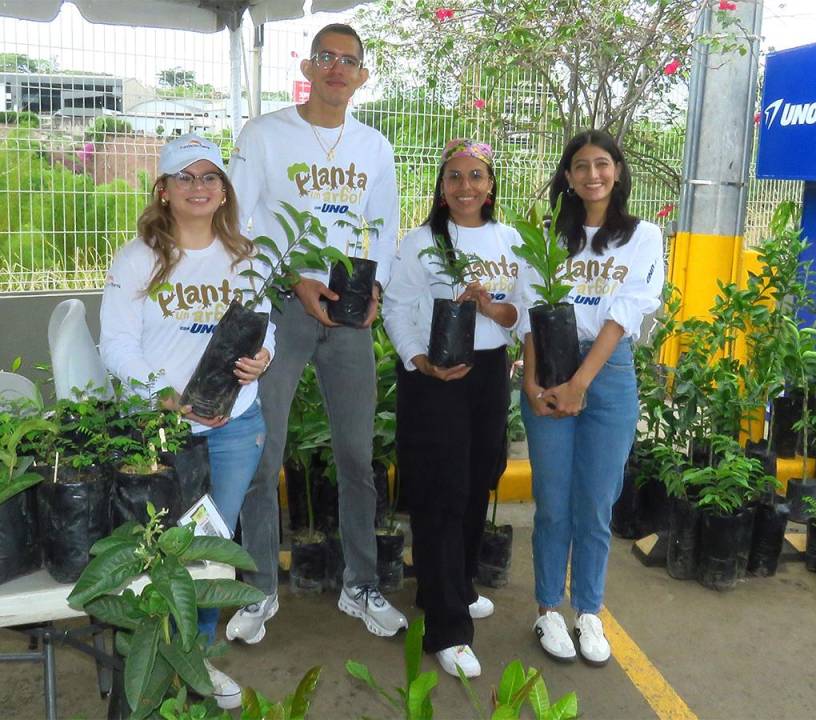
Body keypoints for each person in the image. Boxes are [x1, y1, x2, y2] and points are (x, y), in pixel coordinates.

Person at [226, 23, 405, 641]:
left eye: (348, 60)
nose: (335, 68)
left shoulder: (374, 146)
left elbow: (382, 227)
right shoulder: (265, 135)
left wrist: (374, 289)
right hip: (281, 306)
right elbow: (237, 227)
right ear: (307, 65)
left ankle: (361, 583)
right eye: (325, 56)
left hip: (349, 312)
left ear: (363, 74)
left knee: (357, 456)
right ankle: (258, 592)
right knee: (262, 452)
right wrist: (291, 277)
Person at [99, 133, 274, 710]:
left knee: (208, 553)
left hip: (233, 427)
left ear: (224, 191)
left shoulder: (247, 257)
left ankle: (196, 659)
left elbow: (262, 327)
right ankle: (155, 663)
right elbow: (118, 347)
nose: (198, 188)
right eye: (185, 178)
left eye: (209, 177)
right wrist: (166, 396)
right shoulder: (138, 259)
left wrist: (263, 357)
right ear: (165, 191)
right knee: (159, 556)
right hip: (164, 432)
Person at [520, 130, 664, 667]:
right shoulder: (549, 237)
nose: (592, 175)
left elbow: (627, 311)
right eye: (580, 166)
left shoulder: (643, 236)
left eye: (602, 164)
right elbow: (531, 310)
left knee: (596, 504)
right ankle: (547, 608)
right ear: (568, 176)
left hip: (606, 373)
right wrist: (533, 384)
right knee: (553, 504)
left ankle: (588, 610)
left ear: (619, 171)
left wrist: (581, 383)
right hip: (550, 364)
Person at [383, 139, 520, 678]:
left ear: (491, 184)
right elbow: (394, 308)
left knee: (479, 478)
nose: (466, 186)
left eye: (476, 176)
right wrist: (419, 359)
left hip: (487, 375)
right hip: (434, 375)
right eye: (454, 177)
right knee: (441, 491)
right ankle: (448, 628)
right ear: (441, 187)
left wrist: (488, 303)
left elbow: (518, 316)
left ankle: (453, 588)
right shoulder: (420, 242)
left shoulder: (510, 241)